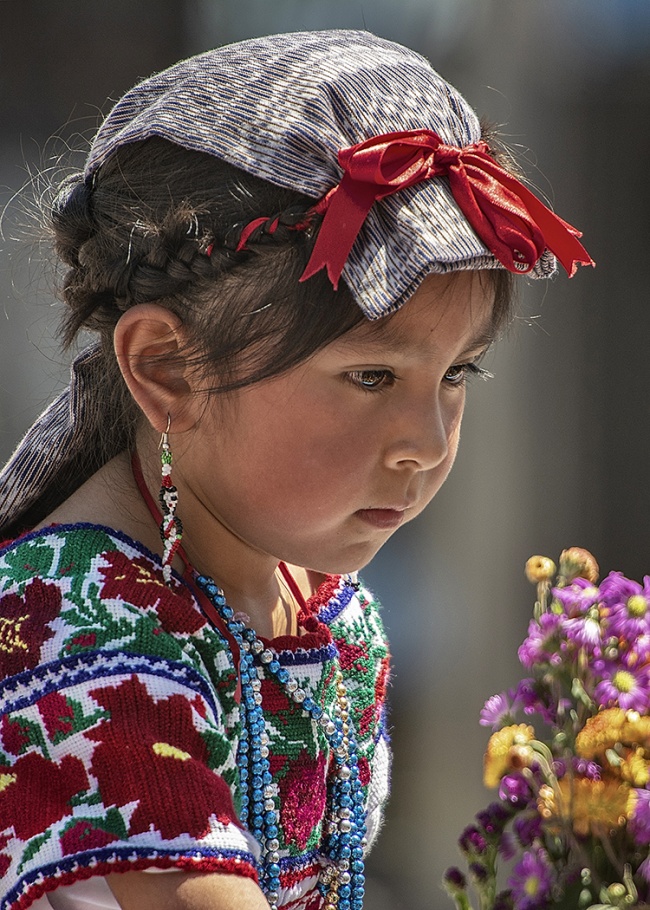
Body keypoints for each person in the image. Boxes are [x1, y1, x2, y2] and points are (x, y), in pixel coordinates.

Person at [0, 29, 593, 910]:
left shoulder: (323, 610)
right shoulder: (76, 625)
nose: (426, 443)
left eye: (456, 373)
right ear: (168, 368)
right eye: (371, 376)